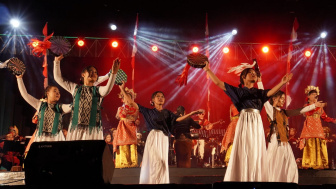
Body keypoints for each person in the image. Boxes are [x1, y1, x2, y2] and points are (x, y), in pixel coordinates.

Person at [203, 60, 293, 182]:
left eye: (254, 73)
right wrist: (208, 70)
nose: (253, 74)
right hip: (244, 120)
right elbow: (218, 83)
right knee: (244, 148)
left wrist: (283, 82)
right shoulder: (238, 91)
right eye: (250, 73)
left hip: (256, 122)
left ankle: (255, 178)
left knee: (256, 149)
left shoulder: (259, 93)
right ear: (243, 78)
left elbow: (271, 92)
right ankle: (242, 178)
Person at [119, 84, 202, 184]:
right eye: (157, 96)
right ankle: (152, 182)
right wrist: (122, 89)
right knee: (155, 161)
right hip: (153, 137)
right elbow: (131, 103)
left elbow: (177, 119)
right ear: (152, 100)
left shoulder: (167, 113)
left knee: (163, 162)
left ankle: (161, 182)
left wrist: (191, 114)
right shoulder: (148, 111)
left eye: (162, 96)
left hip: (163, 138)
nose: (160, 98)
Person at [258, 81, 324, 183]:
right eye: (281, 98)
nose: (283, 101)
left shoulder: (284, 112)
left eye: (284, 99)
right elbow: (263, 95)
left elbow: (299, 111)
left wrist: (314, 106)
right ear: (274, 98)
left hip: (285, 142)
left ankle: (288, 183)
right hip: (276, 141)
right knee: (276, 165)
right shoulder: (271, 110)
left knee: (291, 166)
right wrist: (259, 81)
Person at [53, 54, 120, 140]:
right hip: (75, 129)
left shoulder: (98, 90)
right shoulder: (74, 88)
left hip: (93, 130)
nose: (93, 73)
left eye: (96, 72)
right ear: (83, 74)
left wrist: (113, 73)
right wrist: (57, 62)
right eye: (91, 71)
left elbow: (107, 90)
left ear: (97, 78)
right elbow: (58, 78)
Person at [16, 73, 71, 145]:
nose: (58, 93)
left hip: (57, 140)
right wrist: (19, 79)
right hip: (41, 140)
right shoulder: (40, 105)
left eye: (59, 92)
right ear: (47, 93)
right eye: (55, 91)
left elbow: (73, 106)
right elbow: (25, 94)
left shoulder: (61, 107)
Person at [299, 86, 336, 169]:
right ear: (308, 96)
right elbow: (308, 113)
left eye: (316, 94)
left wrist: (334, 120)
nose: (315, 95)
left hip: (318, 129)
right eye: (312, 94)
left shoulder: (320, 107)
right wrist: (315, 105)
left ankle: (320, 164)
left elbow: (325, 117)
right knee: (310, 144)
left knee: (320, 144)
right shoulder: (306, 106)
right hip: (309, 129)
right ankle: (309, 164)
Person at [113, 82, 140, 168]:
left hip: (131, 127)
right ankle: (123, 163)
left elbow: (137, 119)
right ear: (123, 99)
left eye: (130, 97)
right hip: (123, 127)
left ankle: (133, 163)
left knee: (132, 145)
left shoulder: (135, 108)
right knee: (123, 144)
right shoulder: (120, 108)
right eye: (125, 97)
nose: (127, 99)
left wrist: (136, 121)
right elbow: (118, 117)